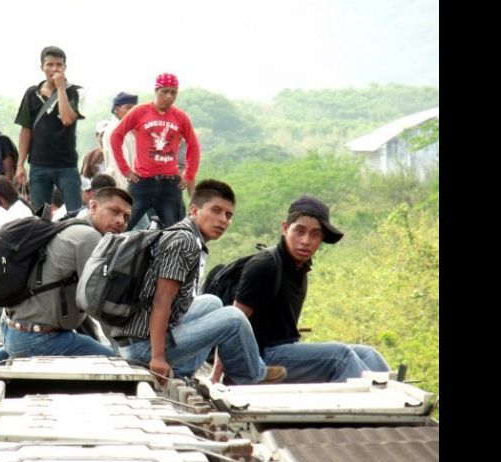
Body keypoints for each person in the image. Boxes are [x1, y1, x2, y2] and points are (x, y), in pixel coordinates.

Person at [110, 180, 286, 384]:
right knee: (234, 318)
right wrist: (157, 358)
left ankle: (184, 368)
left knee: (212, 302)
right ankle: (253, 375)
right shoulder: (183, 243)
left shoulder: (185, 234)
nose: (223, 220)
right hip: (142, 349)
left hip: (138, 336)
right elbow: (161, 301)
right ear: (194, 210)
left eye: (228, 215)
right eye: (216, 211)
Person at [0, 187, 134, 394]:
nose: (121, 221)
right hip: (37, 339)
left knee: (84, 342)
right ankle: (12, 354)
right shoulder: (89, 238)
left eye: (126, 217)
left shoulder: (68, 223)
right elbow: (100, 304)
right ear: (93, 206)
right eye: (114, 211)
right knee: (119, 366)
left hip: (10, 329)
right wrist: (123, 352)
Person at [218, 195, 390, 384]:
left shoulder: (298, 268)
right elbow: (232, 323)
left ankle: (397, 403)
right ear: (285, 228)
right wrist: (218, 375)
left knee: (369, 355)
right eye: (299, 231)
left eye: (315, 234)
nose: (306, 241)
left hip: (285, 349)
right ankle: (357, 407)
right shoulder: (265, 265)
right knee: (341, 357)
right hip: (259, 359)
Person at [110, 73, 200, 230]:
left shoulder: (180, 116)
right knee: (122, 227)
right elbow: (116, 136)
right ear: (156, 90)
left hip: (170, 184)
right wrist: (126, 169)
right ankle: (107, 254)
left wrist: (189, 174)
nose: (169, 96)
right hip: (142, 182)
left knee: (175, 232)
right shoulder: (140, 111)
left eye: (173, 92)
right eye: (165, 91)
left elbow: (193, 145)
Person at [14, 46, 85, 212]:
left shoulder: (75, 92)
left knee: (75, 214)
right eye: (50, 64)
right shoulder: (32, 94)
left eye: (59, 65)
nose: (54, 69)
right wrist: (20, 164)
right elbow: (26, 130)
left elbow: (67, 119)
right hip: (39, 165)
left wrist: (60, 88)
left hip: (66, 166)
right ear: (42, 67)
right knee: (41, 217)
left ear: (65, 67)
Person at [101, 91, 138, 190]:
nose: (133, 111)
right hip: (123, 187)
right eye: (128, 108)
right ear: (117, 110)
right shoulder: (114, 130)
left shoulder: (129, 129)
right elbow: (118, 166)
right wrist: (128, 193)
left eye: (135, 108)